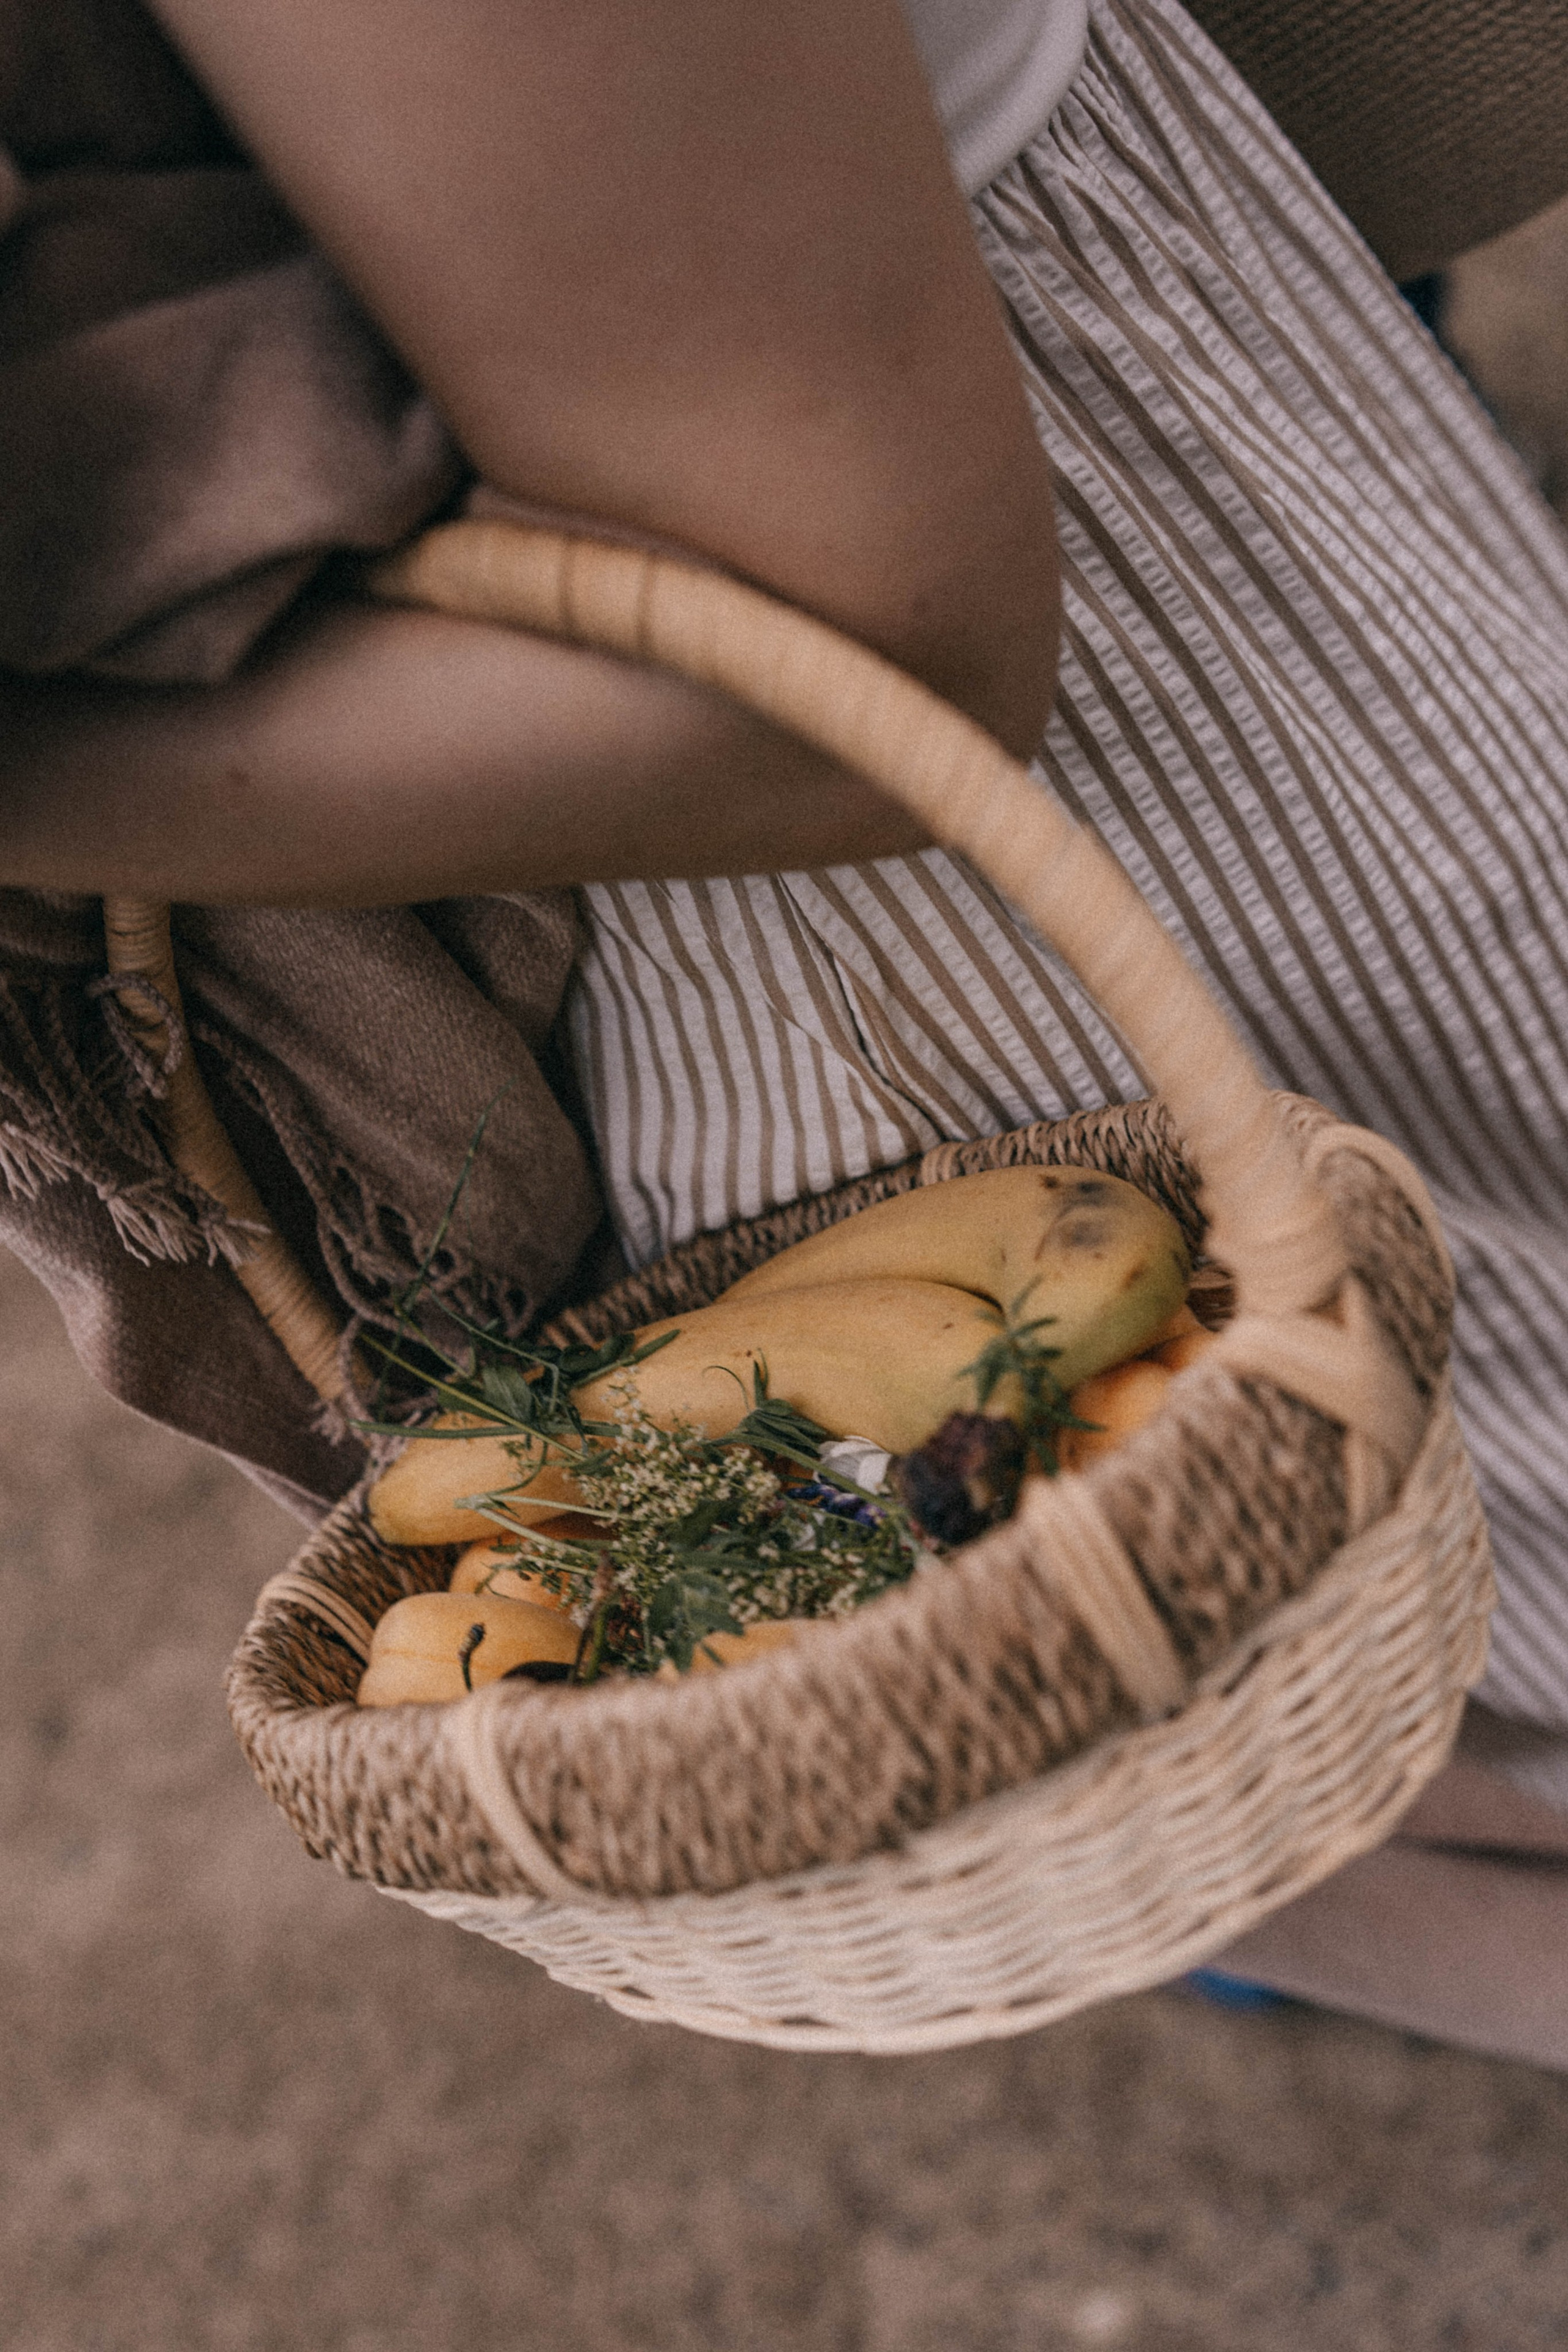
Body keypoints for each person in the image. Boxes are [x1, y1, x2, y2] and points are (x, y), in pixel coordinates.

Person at [4, 0, 1568, 2065]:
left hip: (937, 759)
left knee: (1384, 1481)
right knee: (1067, 1642)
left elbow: (873, 640)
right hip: (517, 826)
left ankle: (1324, 1869)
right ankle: (1303, 1868)